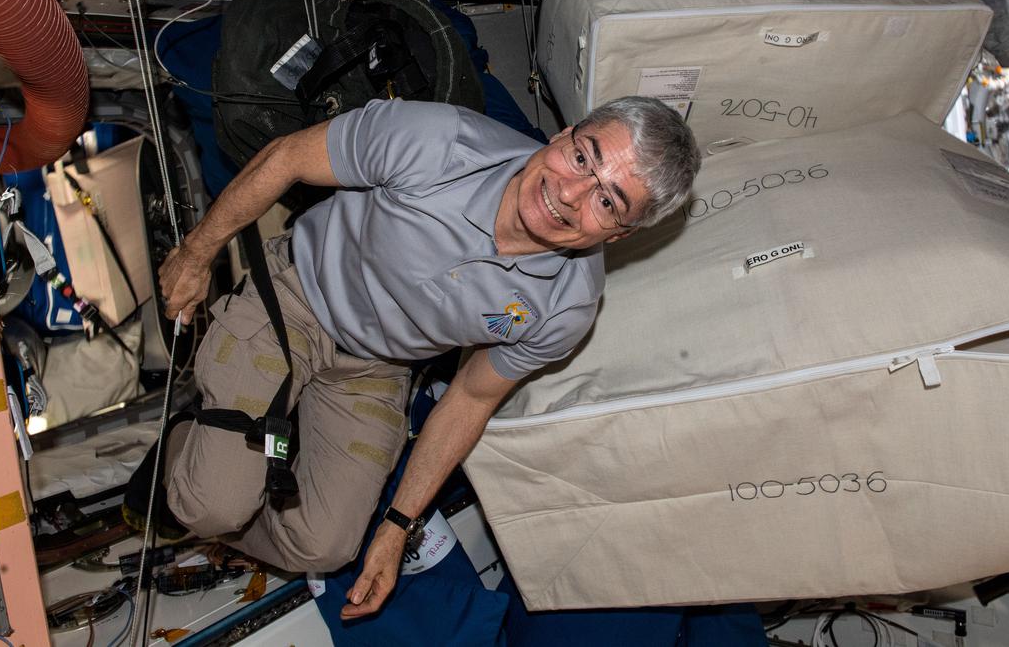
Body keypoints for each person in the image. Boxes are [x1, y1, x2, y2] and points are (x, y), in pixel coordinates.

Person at [152, 95, 699, 618]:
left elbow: (469, 399)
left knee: (325, 548)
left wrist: (396, 527)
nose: (571, 193)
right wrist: (196, 254)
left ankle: (234, 464)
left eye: (608, 200)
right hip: (296, 299)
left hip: (378, 368)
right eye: (583, 157)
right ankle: (187, 453)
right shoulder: (438, 141)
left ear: (622, 234)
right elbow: (289, 156)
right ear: (562, 133)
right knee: (212, 505)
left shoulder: (566, 309)